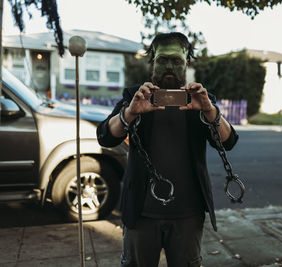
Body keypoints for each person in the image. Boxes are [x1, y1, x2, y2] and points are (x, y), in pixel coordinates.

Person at [97, 32, 238, 267]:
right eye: (162, 60)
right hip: (141, 212)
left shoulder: (202, 100)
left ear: (187, 62)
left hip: (188, 215)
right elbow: (106, 136)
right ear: (152, 61)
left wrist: (209, 111)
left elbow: (228, 141)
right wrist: (130, 112)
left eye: (176, 60)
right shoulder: (134, 96)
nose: (169, 66)